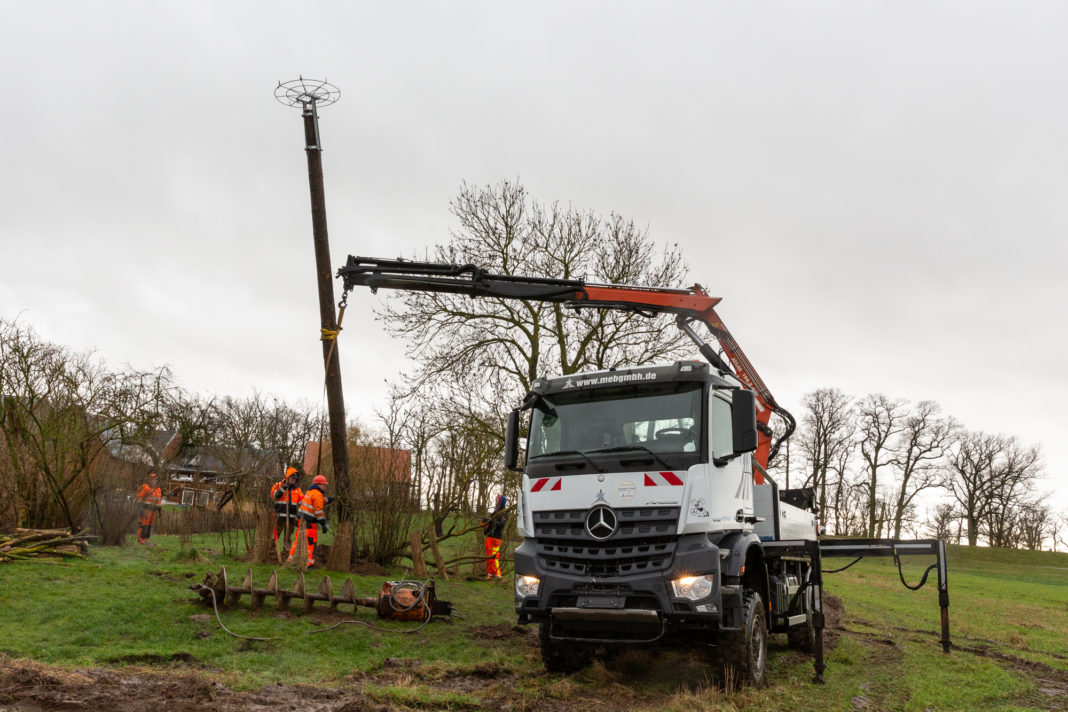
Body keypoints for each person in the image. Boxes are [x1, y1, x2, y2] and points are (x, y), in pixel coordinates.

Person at [289, 474, 328, 567]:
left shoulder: (309, 492)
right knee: (311, 543)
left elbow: (316, 501)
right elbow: (318, 511)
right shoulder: (318, 494)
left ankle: (291, 560)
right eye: (324, 485)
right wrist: (323, 524)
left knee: (298, 541)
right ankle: (308, 564)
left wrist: (328, 499)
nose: (325, 487)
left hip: (302, 522)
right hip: (310, 524)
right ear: (319, 484)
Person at [270, 466, 304, 549]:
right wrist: (283, 488)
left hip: (291, 517)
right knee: (274, 535)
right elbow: (274, 497)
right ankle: (270, 550)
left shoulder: (297, 490)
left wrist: (299, 514)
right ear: (287, 477)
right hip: (279, 515)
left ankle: (287, 551)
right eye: (292, 478)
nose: (294, 480)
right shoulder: (277, 485)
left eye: (295, 479)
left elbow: (303, 503)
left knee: (288, 536)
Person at [482, 494, 509, 578]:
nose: (496, 501)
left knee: (494, 556)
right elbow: (490, 523)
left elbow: (501, 525)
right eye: (496, 499)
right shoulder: (494, 512)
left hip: (496, 538)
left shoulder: (504, 513)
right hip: (489, 536)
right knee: (488, 556)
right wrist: (485, 523)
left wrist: (492, 521)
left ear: (502, 501)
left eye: (498, 499)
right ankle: (490, 574)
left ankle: (498, 575)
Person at [136, 473, 163, 544]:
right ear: (149, 479)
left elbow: (158, 501)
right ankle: (140, 539)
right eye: (152, 479)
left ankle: (145, 539)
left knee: (149, 525)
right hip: (145, 509)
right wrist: (140, 509)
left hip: (153, 510)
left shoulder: (158, 489)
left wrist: (160, 511)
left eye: (155, 479)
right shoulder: (145, 487)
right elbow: (139, 498)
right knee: (143, 524)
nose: (153, 480)